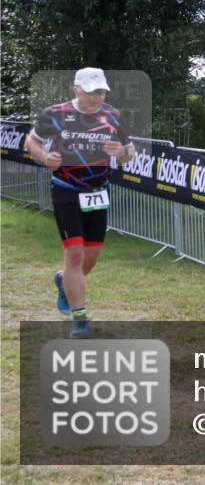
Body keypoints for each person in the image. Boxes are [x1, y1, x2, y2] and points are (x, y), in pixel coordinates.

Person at [24, 68, 136, 339]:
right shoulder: (56, 113)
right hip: (66, 190)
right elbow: (31, 141)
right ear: (76, 89)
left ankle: (64, 281)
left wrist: (122, 153)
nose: (94, 98)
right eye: (89, 92)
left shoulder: (113, 116)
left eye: (99, 92)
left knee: (90, 258)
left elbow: (130, 152)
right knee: (74, 254)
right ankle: (80, 320)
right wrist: (43, 157)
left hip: (98, 191)